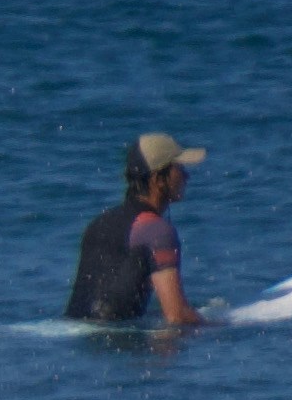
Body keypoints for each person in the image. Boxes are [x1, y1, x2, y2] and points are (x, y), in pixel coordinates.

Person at [63, 134, 202, 330]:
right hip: (113, 345)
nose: (186, 176)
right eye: (178, 168)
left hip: (74, 338)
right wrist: (232, 327)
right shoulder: (156, 230)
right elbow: (177, 316)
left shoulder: (98, 223)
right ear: (158, 179)